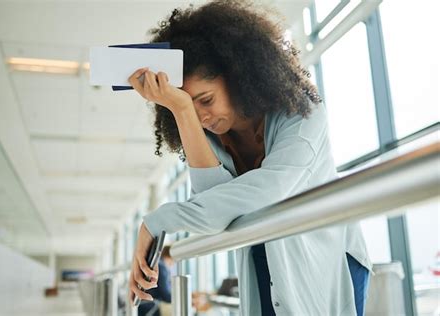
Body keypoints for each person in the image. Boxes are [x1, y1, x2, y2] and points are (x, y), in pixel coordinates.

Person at [128, 1, 372, 315]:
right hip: (262, 249)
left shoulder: (302, 114)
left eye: (206, 100)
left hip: (325, 255)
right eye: (190, 107)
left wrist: (158, 221)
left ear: (238, 75)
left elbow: (267, 191)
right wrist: (182, 110)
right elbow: (213, 210)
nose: (202, 116)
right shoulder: (207, 132)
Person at [138, 246, 174, 316]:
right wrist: (179, 299)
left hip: (143, 304)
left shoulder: (156, 263)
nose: (173, 264)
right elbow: (165, 294)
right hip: (149, 306)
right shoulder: (162, 267)